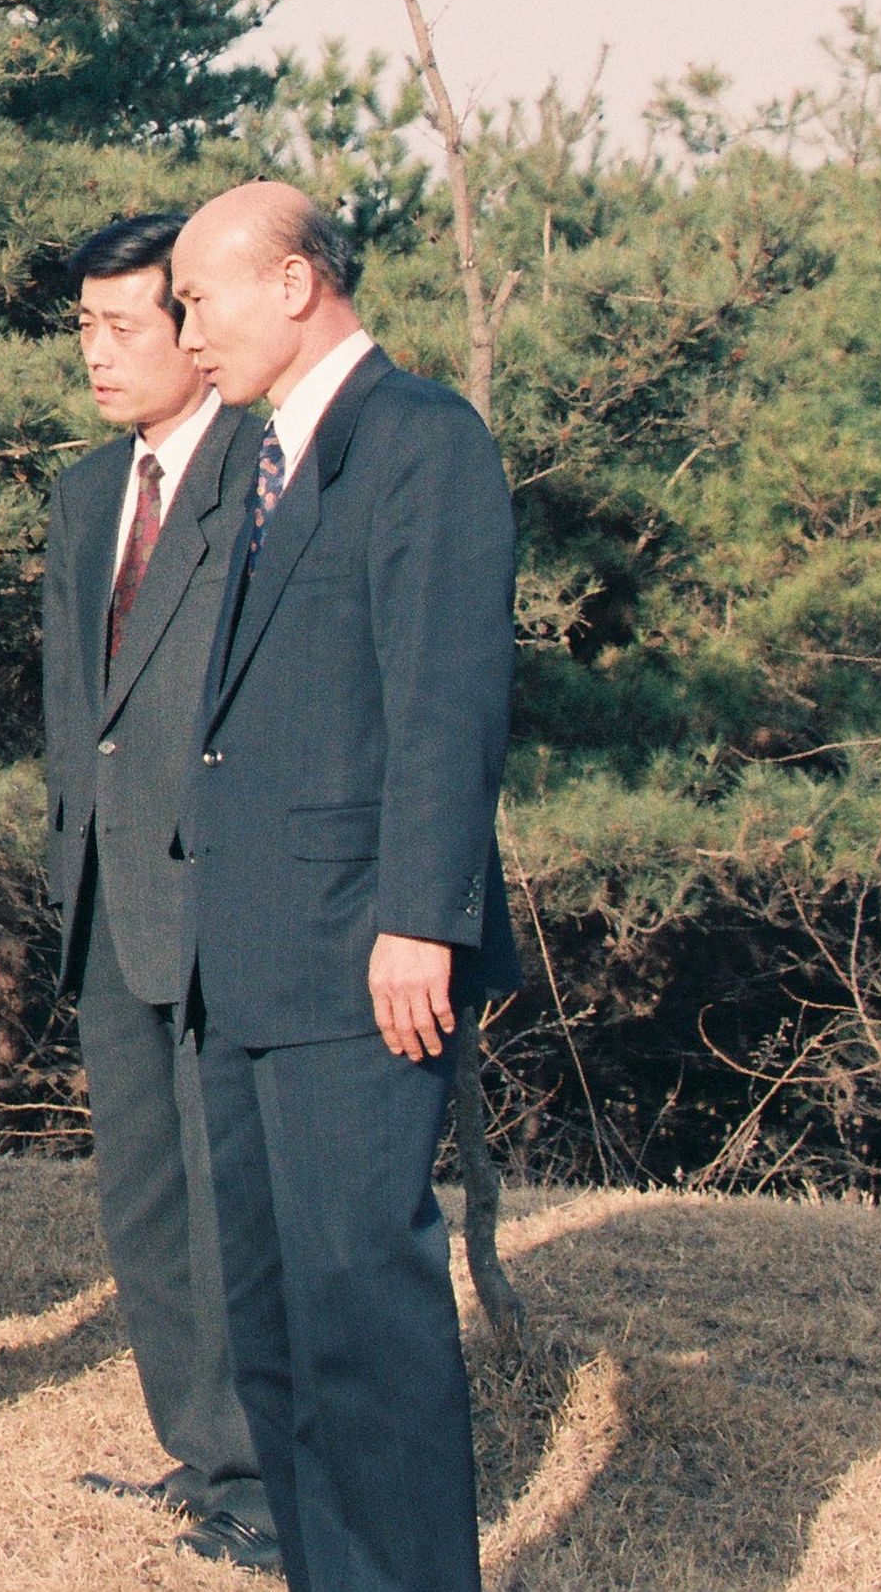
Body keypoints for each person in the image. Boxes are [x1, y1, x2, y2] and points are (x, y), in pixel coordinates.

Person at [167, 181, 523, 1592]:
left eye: (200, 296)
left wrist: (423, 916)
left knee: (361, 1316)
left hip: (362, 956)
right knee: (277, 1323)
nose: (185, 329)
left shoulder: (420, 440)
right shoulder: (266, 457)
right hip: (246, 957)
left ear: (299, 282)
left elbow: (445, 699)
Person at [38, 212, 278, 1574]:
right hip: (102, 896)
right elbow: (84, 707)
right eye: (84, 325)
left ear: (195, 331)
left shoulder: (267, 475)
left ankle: (262, 1472)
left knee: (226, 1189)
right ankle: (200, 1447)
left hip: (227, 898)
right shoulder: (86, 493)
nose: (98, 351)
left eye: (123, 324)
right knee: (143, 1193)